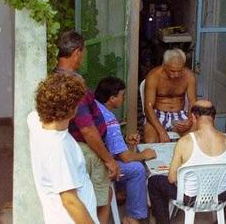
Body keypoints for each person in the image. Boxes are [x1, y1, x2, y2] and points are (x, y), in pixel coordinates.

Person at [54, 30, 121, 224]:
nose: (82, 58)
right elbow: (87, 129)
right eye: (82, 53)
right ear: (76, 52)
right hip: (88, 149)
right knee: (101, 199)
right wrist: (109, 160)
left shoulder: (55, 76)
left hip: (75, 146)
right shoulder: (73, 84)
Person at [148, 100, 226, 224]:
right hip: (219, 196)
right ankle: (219, 221)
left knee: (154, 181)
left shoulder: (185, 142)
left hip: (190, 199)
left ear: (193, 118)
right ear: (214, 118)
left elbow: (172, 179)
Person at [28, 73, 99, 224]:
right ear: (72, 110)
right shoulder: (58, 147)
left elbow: (34, 115)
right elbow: (70, 200)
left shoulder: (35, 121)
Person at [94, 76, 157, 224]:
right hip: (100, 166)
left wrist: (124, 139)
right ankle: (132, 217)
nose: (124, 99)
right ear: (112, 98)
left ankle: (121, 193)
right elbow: (126, 157)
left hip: (93, 158)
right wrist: (144, 154)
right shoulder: (109, 119)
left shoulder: (96, 107)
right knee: (137, 169)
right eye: (122, 95)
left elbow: (105, 140)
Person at [143, 48, 197, 143]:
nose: (176, 75)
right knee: (151, 141)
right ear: (164, 65)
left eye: (180, 70)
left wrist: (189, 121)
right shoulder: (153, 76)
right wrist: (162, 132)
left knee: (193, 139)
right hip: (157, 114)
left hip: (179, 114)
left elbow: (193, 102)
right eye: (172, 71)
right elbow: (148, 107)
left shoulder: (189, 75)